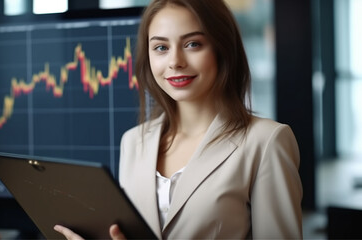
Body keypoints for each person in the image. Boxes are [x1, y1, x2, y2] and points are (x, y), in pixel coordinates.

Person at [54, 0, 303, 239]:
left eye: (193, 44)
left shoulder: (266, 141)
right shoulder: (133, 142)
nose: (175, 62)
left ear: (222, 48)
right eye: (161, 48)